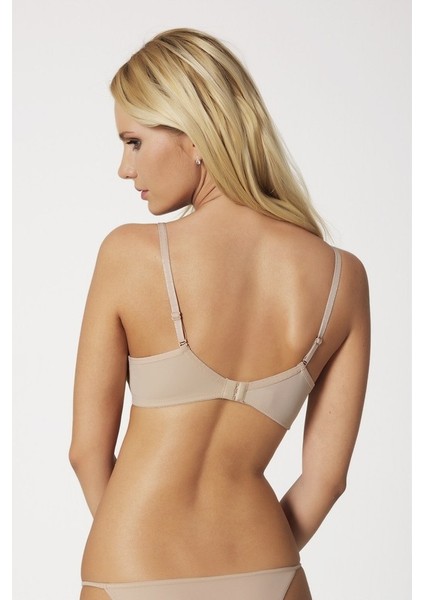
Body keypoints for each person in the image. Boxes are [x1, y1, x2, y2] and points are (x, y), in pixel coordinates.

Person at [69, 28, 370, 600]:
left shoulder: (130, 254)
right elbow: (326, 480)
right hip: (269, 568)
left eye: (134, 142)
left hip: (134, 563)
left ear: (194, 137)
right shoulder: (342, 277)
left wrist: (132, 547)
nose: (124, 168)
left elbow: (86, 451)